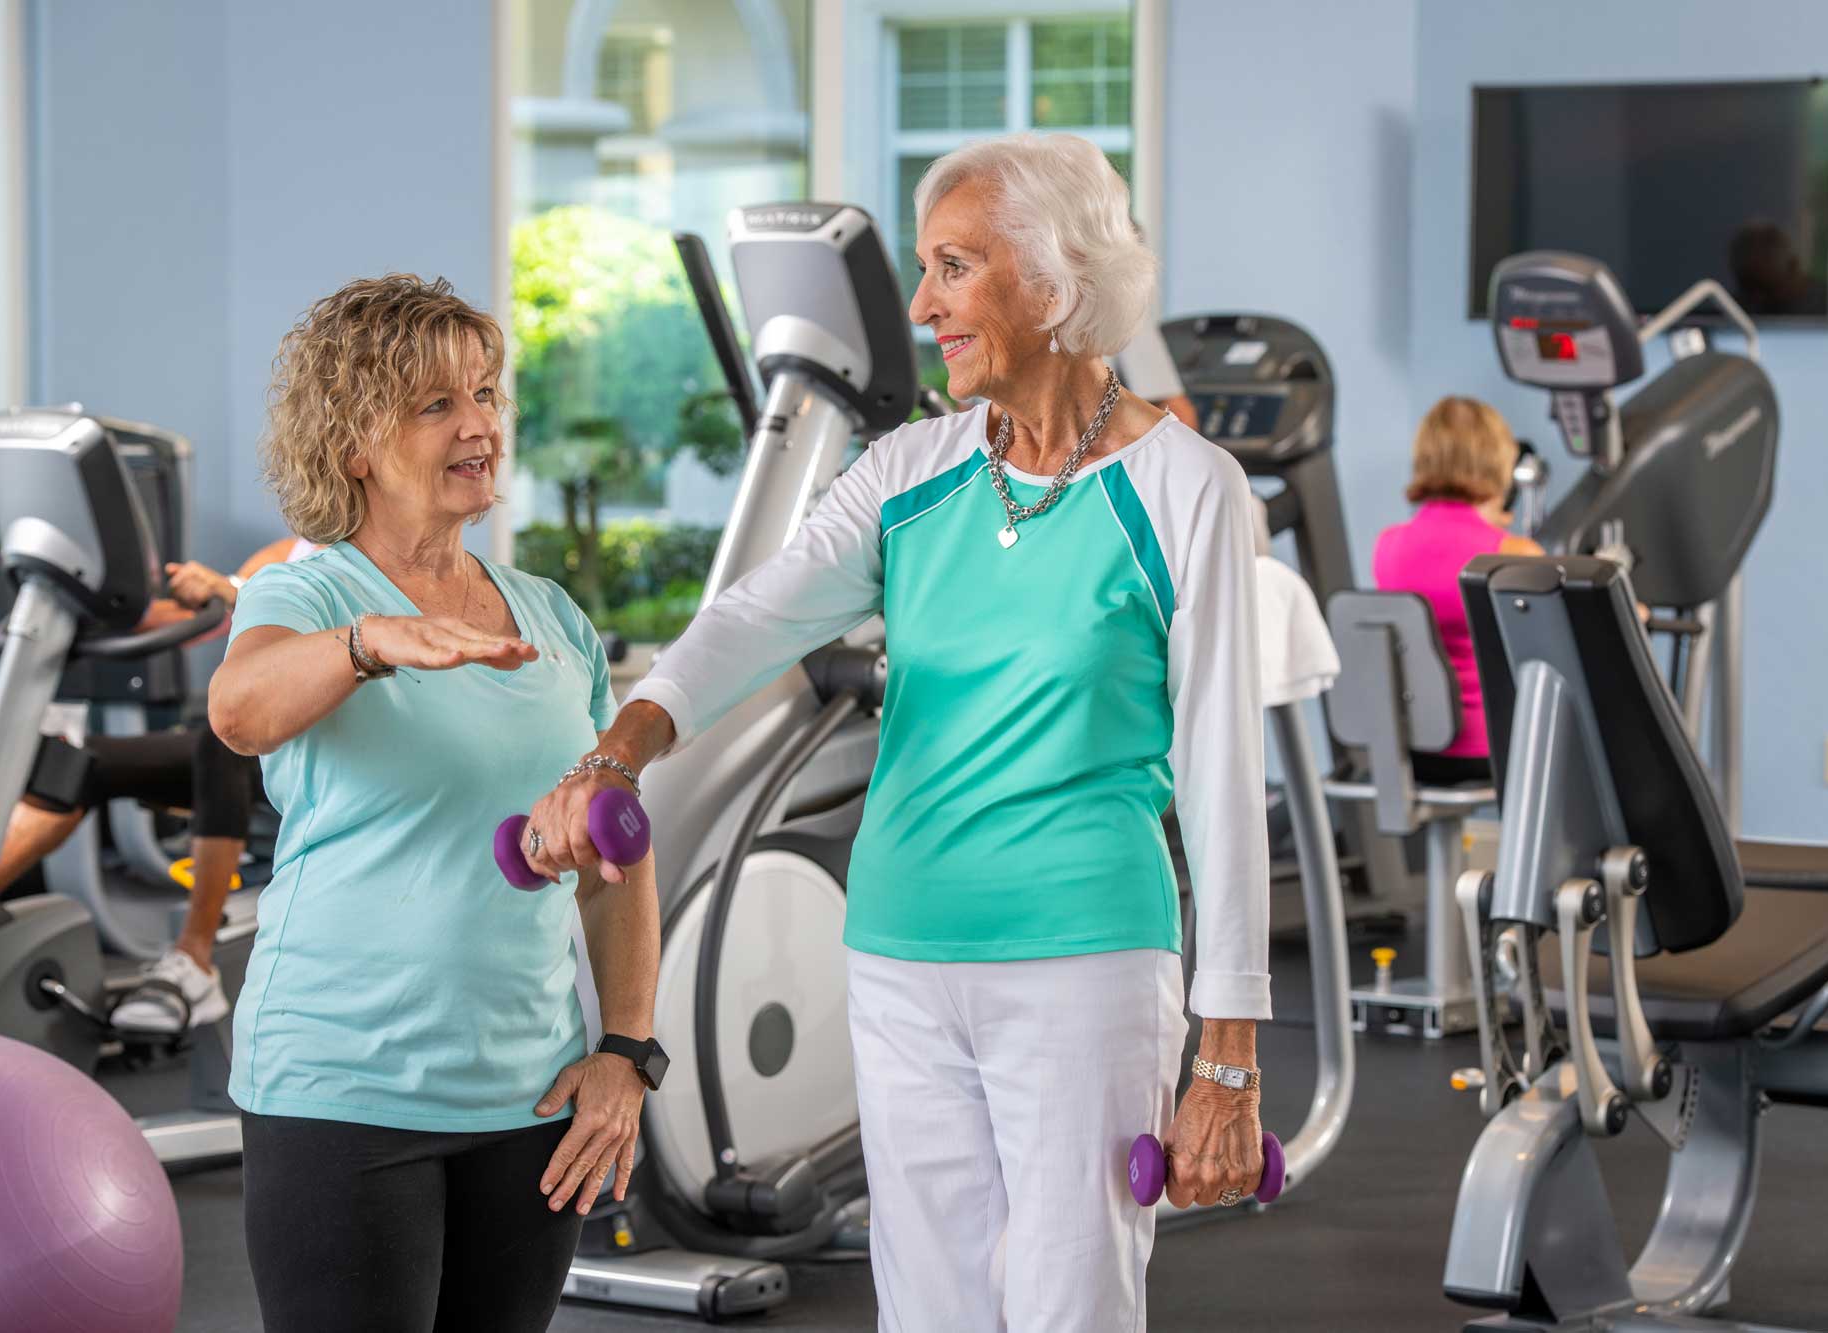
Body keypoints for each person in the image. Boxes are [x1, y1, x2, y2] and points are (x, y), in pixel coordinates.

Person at [524, 132, 1296, 1331]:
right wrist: (617, 746)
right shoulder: (909, 471)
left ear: (1055, 280)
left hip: (1082, 954)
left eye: (952, 267)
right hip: (895, 948)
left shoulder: (1186, 488)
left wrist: (1227, 1055)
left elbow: (1218, 778)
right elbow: (747, 621)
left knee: (1068, 1301)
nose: (920, 302)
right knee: (925, 1304)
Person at [207, 274, 657, 1333]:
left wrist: (627, 1051)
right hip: (341, 1088)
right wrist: (370, 643)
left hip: (529, 1094)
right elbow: (239, 710)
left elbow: (612, 850)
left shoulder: (552, 615)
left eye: (487, 395)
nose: (479, 426)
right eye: (435, 404)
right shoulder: (308, 595)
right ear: (352, 443)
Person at [0, 539, 319, 1032]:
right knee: (82, 762)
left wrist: (231, 590)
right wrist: (82, 610)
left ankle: (195, 960)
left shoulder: (380, 555)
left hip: (316, 754)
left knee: (220, 744)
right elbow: (211, 619)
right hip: (243, 745)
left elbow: (327, 634)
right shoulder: (289, 552)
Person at [1372, 396, 1543, 786]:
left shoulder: (1388, 545)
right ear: (1500, 462)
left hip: (1411, 749)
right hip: (1491, 749)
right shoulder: (1514, 553)